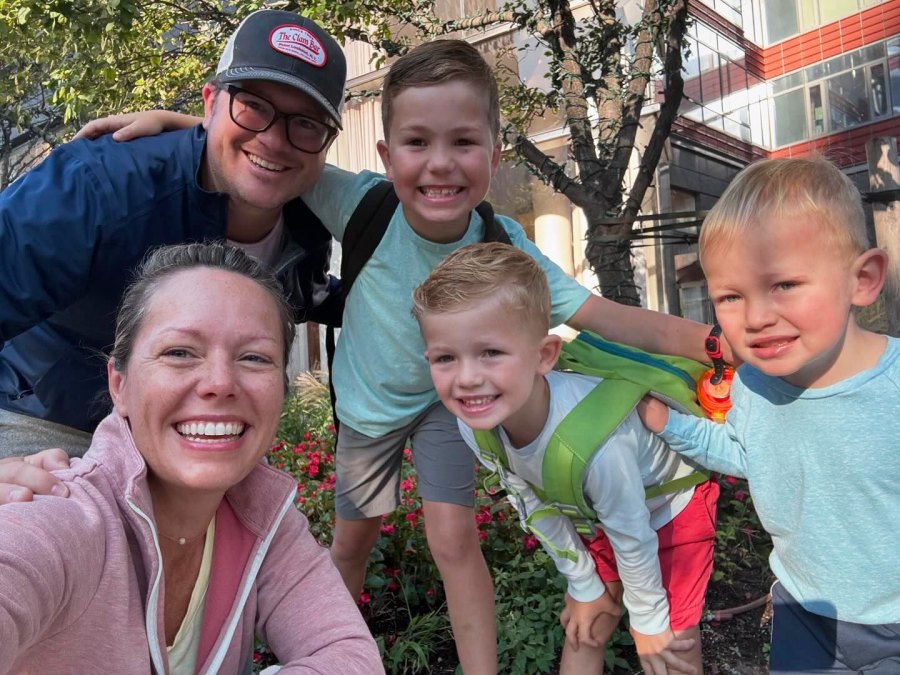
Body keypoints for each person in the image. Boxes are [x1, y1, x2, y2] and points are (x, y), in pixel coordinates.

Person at [2, 39, 728, 673]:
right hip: (366, 411)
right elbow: (264, 152)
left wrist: (721, 343)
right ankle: (315, 640)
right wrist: (191, 128)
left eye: (463, 143)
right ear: (385, 154)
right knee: (345, 544)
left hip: (452, 407)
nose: (439, 164)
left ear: (495, 152)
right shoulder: (363, 202)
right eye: (417, 142)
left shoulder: (507, 243)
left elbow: (607, 315)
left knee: (453, 538)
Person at [0, 242, 383, 674]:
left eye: (254, 357)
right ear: (119, 385)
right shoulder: (60, 519)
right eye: (179, 352)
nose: (220, 383)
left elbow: (348, 655)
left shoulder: (263, 519)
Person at [0, 9, 346, 459]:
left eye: (305, 123)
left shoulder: (308, 216)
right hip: (52, 423)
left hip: (196, 432)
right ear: (209, 103)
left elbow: (305, 294)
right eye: (253, 105)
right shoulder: (98, 186)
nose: (275, 140)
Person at [635, 157, 900, 674]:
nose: (756, 317)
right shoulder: (753, 382)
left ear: (863, 280)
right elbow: (746, 451)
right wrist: (669, 425)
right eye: (731, 296)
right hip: (804, 611)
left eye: (783, 285)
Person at [412, 242, 715, 675]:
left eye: (491, 353)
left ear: (545, 356)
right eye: (445, 358)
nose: (467, 379)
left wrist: (647, 620)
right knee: (586, 622)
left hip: (670, 509)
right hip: (595, 506)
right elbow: (530, 499)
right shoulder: (474, 422)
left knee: (671, 644)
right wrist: (583, 582)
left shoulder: (596, 444)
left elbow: (631, 530)